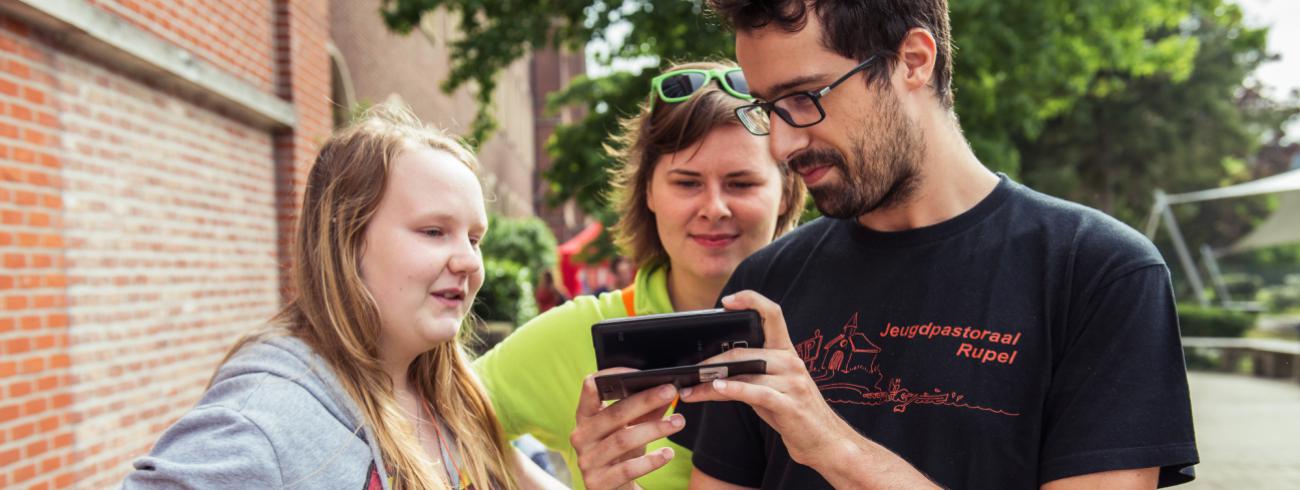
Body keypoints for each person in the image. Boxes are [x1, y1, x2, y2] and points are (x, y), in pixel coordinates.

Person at [586, 1, 1202, 489]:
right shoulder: (769, 280)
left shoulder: (1097, 272)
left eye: (804, 99)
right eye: (767, 107)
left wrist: (834, 447)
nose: (780, 145)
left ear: (913, 60)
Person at [122, 103, 563, 489]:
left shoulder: (453, 396)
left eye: (474, 239)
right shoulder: (261, 424)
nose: (468, 261)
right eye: (434, 232)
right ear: (346, 240)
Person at [472, 61, 806, 489]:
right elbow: (429, 415)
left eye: (741, 184)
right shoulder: (584, 331)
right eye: (687, 183)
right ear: (648, 191)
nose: (714, 207)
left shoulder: (840, 324)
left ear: (786, 192)